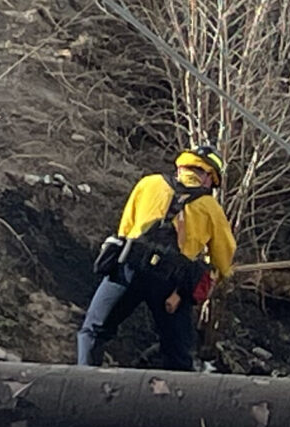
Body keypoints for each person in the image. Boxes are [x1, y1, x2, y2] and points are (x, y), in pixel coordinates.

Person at [77, 143, 236, 371]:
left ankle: (84, 382)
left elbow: (126, 229)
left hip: (129, 267)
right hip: (170, 285)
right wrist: (222, 272)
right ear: (209, 177)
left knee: (93, 330)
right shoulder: (210, 208)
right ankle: (177, 400)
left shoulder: (149, 184)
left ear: (182, 166)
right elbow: (223, 256)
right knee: (178, 353)